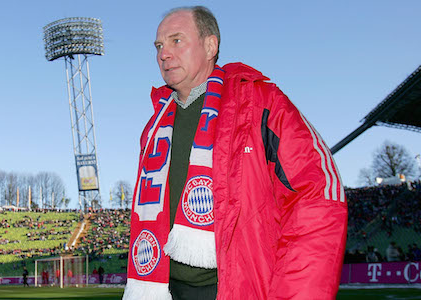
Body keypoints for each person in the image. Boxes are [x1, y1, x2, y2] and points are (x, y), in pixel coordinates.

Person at [124, 6, 348, 300]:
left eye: (176, 40)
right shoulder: (154, 126)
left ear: (210, 45)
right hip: (164, 290)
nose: (164, 53)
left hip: (239, 287)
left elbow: (317, 194)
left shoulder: (260, 101)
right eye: (159, 45)